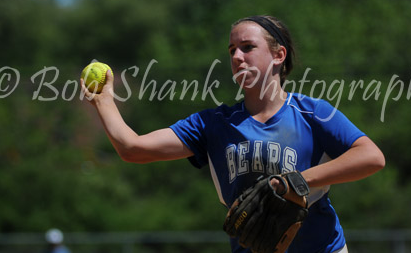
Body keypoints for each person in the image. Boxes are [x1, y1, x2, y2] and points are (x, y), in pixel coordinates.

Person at [81, 15, 385, 253]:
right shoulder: (214, 123)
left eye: (248, 47)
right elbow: (133, 149)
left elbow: (371, 156)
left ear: (278, 55)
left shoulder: (311, 112)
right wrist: (103, 100)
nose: (237, 56)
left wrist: (298, 180)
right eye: (232, 50)